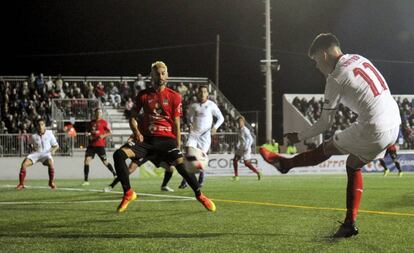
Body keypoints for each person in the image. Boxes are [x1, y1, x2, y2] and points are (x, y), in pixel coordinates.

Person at [259, 33, 401, 238]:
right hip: (394, 123)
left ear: (324, 54)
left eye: (316, 60)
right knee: (353, 164)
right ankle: (349, 224)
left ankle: (285, 165)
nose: (317, 66)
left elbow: (325, 123)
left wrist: (299, 136)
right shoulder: (360, 58)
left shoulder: (336, 77)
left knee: (327, 147)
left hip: (374, 126)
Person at [112, 61, 216, 212]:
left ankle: (200, 196)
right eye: (157, 73)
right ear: (151, 76)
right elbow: (133, 117)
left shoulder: (175, 97)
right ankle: (128, 192)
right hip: (146, 140)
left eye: (163, 73)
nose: (160, 76)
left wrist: (178, 145)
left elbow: (176, 123)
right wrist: (136, 132)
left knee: (181, 165)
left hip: (167, 140)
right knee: (118, 155)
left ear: (167, 76)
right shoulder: (143, 95)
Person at [177, 84, 224, 189]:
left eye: (204, 92)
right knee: (188, 156)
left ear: (207, 94)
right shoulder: (193, 106)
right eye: (201, 92)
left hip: (205, 136)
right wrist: (189, 124)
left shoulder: (211, 105)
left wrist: (215, 127)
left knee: (200, 158)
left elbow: (221, 118)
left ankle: (201, 179)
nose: (202, 94)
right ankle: (186, 180)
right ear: (197, 93)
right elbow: (189, 118)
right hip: (194, 135)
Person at [16, 118, 59, 190]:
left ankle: (51, 182)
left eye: (42, 124)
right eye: (39, 125)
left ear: (44, 125)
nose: (40, 126)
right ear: (37, 126)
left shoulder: (50, 133)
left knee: (50, 163)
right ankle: (21, 184)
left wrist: (53, 150)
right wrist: (32, 147)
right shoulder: (33, 135)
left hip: (46, 154)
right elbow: (30, 144)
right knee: (24, 164)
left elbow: (56, 145)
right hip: (36, 154)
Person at [82, 108, 116, 186]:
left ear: (101, 114)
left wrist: (103, 135)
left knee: (105, 162)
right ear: (95, 113)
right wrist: (87, 133)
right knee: (86, 161)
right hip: (91, 145)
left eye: (100, 112)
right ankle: (86, 180)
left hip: (100, 145)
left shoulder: (104, 122)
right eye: (97, 112)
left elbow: (110, 132)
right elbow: (88, 131)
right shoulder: (91, 122)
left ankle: (115, 174)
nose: (99, 114)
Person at [232, 116, 261, 181]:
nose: (239, 123)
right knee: (235, 160)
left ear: (243, 122)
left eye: (241, 122)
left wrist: (247, 147)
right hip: (241, 147)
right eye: (238, 122)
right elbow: (241, 139)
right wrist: (238, 144)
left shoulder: (245, 130)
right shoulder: (238, 129)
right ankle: (236, 176)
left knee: (247, 163)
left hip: (246, 148)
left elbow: (251, 139)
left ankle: (258, 172)